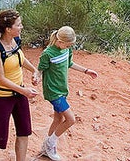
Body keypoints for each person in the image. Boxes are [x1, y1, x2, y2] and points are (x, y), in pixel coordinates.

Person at [0, 9, 40, 161]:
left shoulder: (15, 41)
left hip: (19, 93)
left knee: (24, 131)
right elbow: (1, 78)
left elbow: (20, 59)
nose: (21, 27)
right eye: (19, 25)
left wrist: (34, 70)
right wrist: (23, 91)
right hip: (2, 97)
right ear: (8, 29)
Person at [37, 26, 98, 161]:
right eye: (69, 44)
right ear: (60, 41)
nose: (70, 47)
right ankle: (50, 144)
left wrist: (86, 71)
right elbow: (40, 70)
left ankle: (45, 148)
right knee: (70, 119)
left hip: (62, 90)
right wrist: (36, 77)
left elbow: (70, 63)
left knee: (58, 119)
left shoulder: (66, 50)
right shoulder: (48, 53)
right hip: (53, 92)